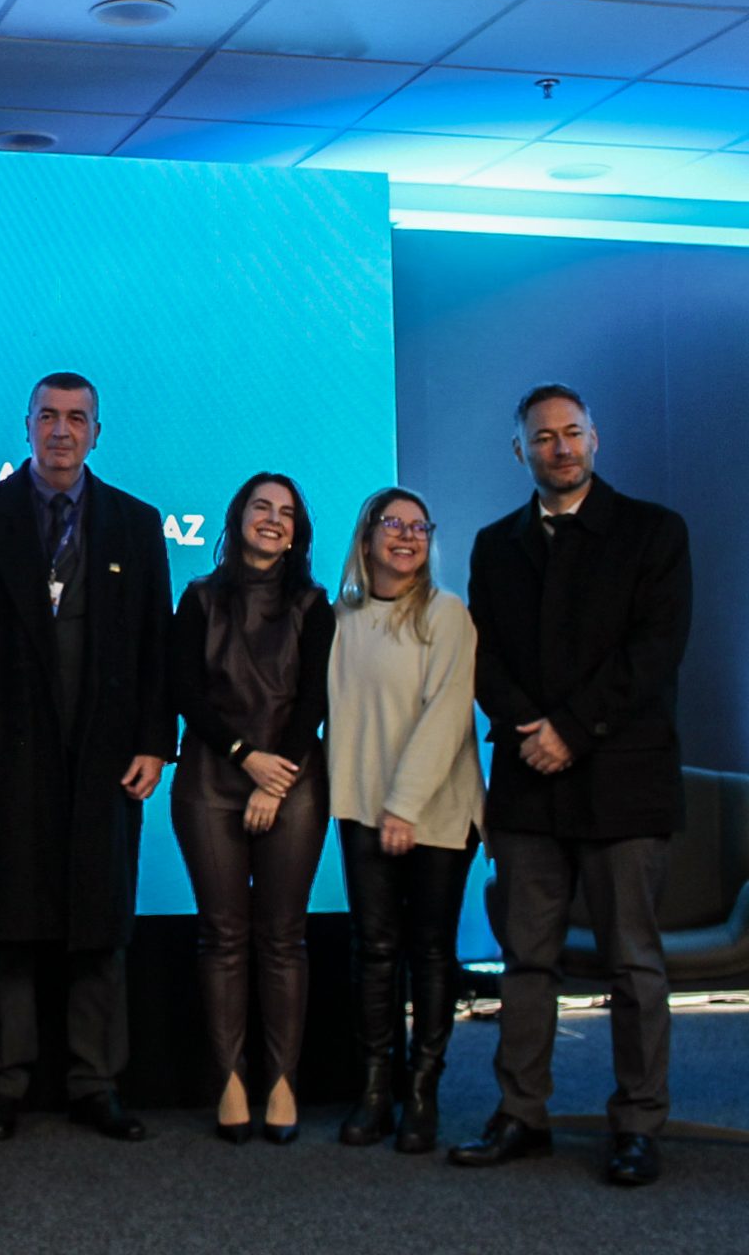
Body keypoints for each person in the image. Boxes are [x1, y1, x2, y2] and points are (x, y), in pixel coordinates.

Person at [451, 384, 690, 1187]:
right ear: (520, 451)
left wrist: (571, 731)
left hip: (624, 779)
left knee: (634, 964)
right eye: (544, 437)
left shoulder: (655, 531)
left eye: (573, 432)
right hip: (529, 784)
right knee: (526, 962)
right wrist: (533, 729)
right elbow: (483, 657)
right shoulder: (495, 544)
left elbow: (654, 652)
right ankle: (522, 1115)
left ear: (595, 438)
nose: (561, 447)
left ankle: (638, 1125)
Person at [0, 371, 173, 1144]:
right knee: (3, 926)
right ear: (28, 425)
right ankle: (1, 1085)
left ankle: (94, 1083)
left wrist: (155, 741)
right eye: (49, 416)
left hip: (103, 760)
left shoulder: (136, 523)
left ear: (97, 433)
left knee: (98, 925)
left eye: (77, 418)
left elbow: (156, 643)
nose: (62, 431)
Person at [168, 472, 332, 1144]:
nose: (273, 519)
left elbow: (314, 699)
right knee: (223, 935)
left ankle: (283, 1082)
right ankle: (230, 1081)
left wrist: (274, 778)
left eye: (286, 513)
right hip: (212, 777)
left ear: (297, 532)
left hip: (292, 779)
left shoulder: (315, 604)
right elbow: (184, 690)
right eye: (261, 507)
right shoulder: (199, 598)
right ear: (238, 518)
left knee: (284, 936)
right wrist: (245, 758)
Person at [327, 488, 485, 1154]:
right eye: (392, 524)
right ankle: (375, 1090)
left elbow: (447, 716)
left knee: (430, 951)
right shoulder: (339, 617)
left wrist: (404, 806)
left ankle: (423, 1093)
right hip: (362, 810)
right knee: (374, 950)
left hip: (437, 814)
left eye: (420, 527)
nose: (407, 536)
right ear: (366, 538)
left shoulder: (447, 615)